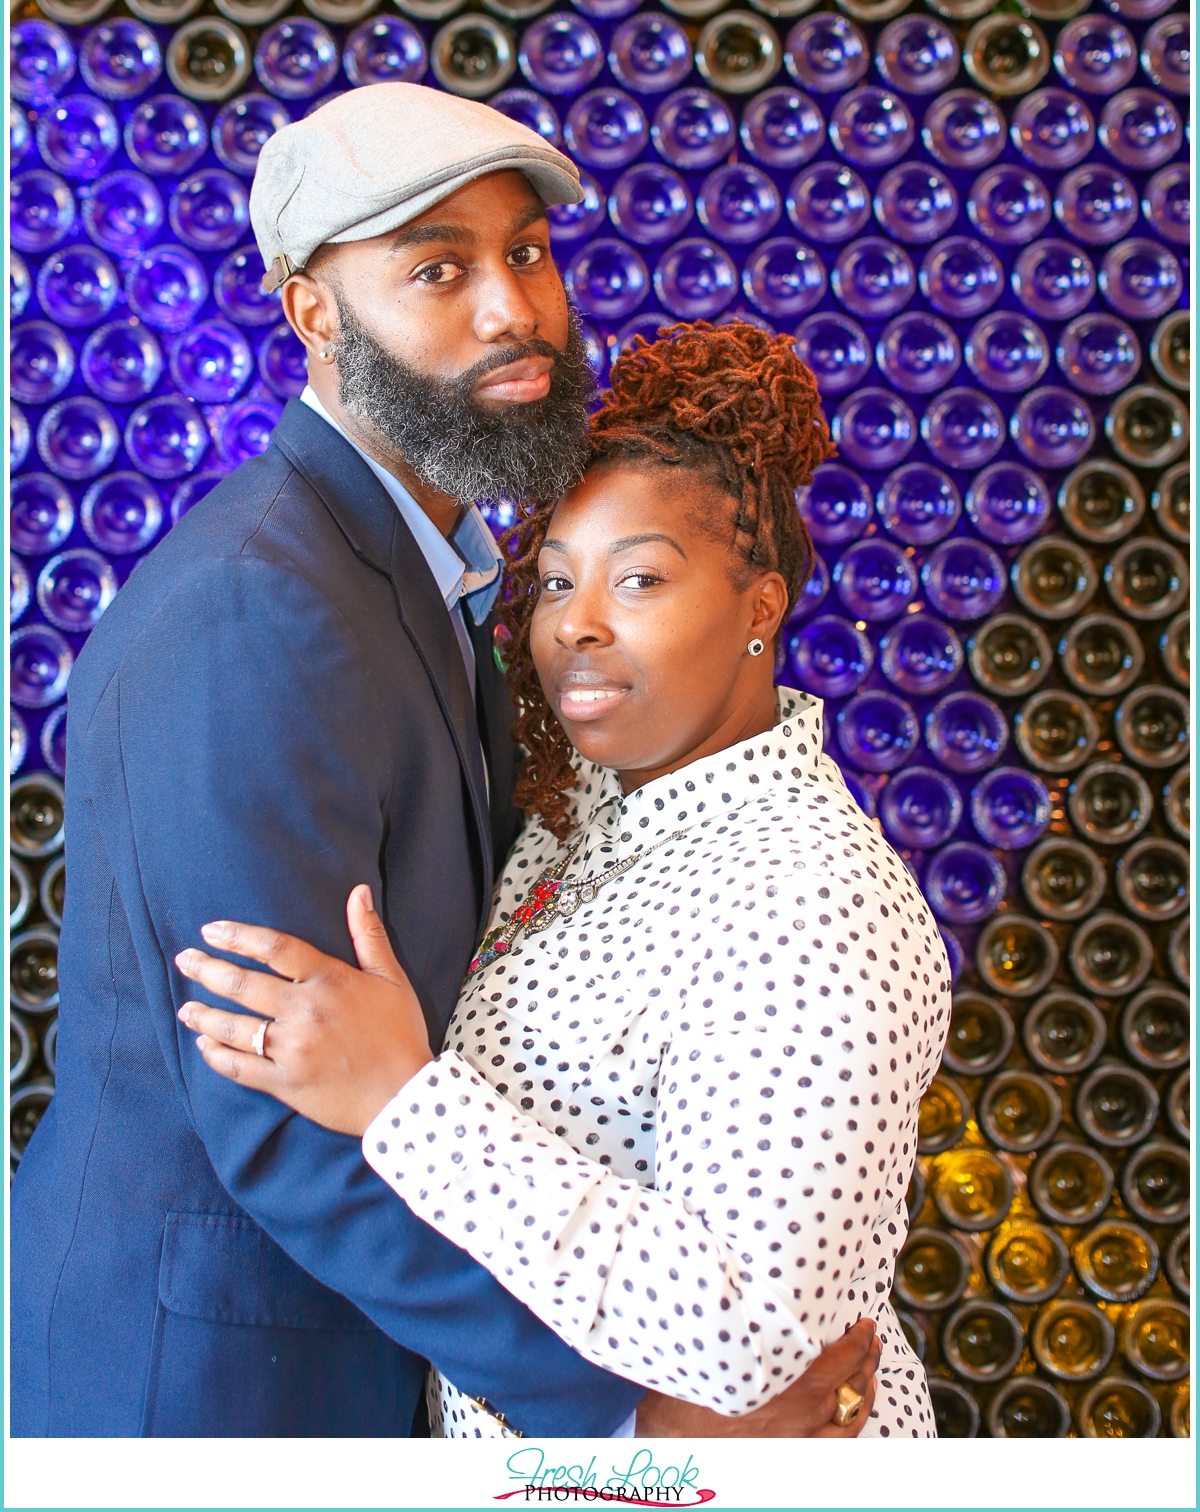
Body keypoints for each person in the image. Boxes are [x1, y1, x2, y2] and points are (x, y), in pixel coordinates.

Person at [11, 86, 877, 1439]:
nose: (512, 310)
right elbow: (278, 1105)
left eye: (526, 250)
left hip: (360, 1354)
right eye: (438, 267)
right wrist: (631, 1418)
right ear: (313, 311)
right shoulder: (264, 604)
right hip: (216, 1384)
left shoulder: (445, 573)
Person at [176, 318, 952, 1439]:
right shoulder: (578, 815)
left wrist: (402, 1102)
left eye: (640, 580)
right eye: (553, 584)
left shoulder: (811, 901)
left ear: (761, 607)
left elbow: (745, 1332)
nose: (576, 625)